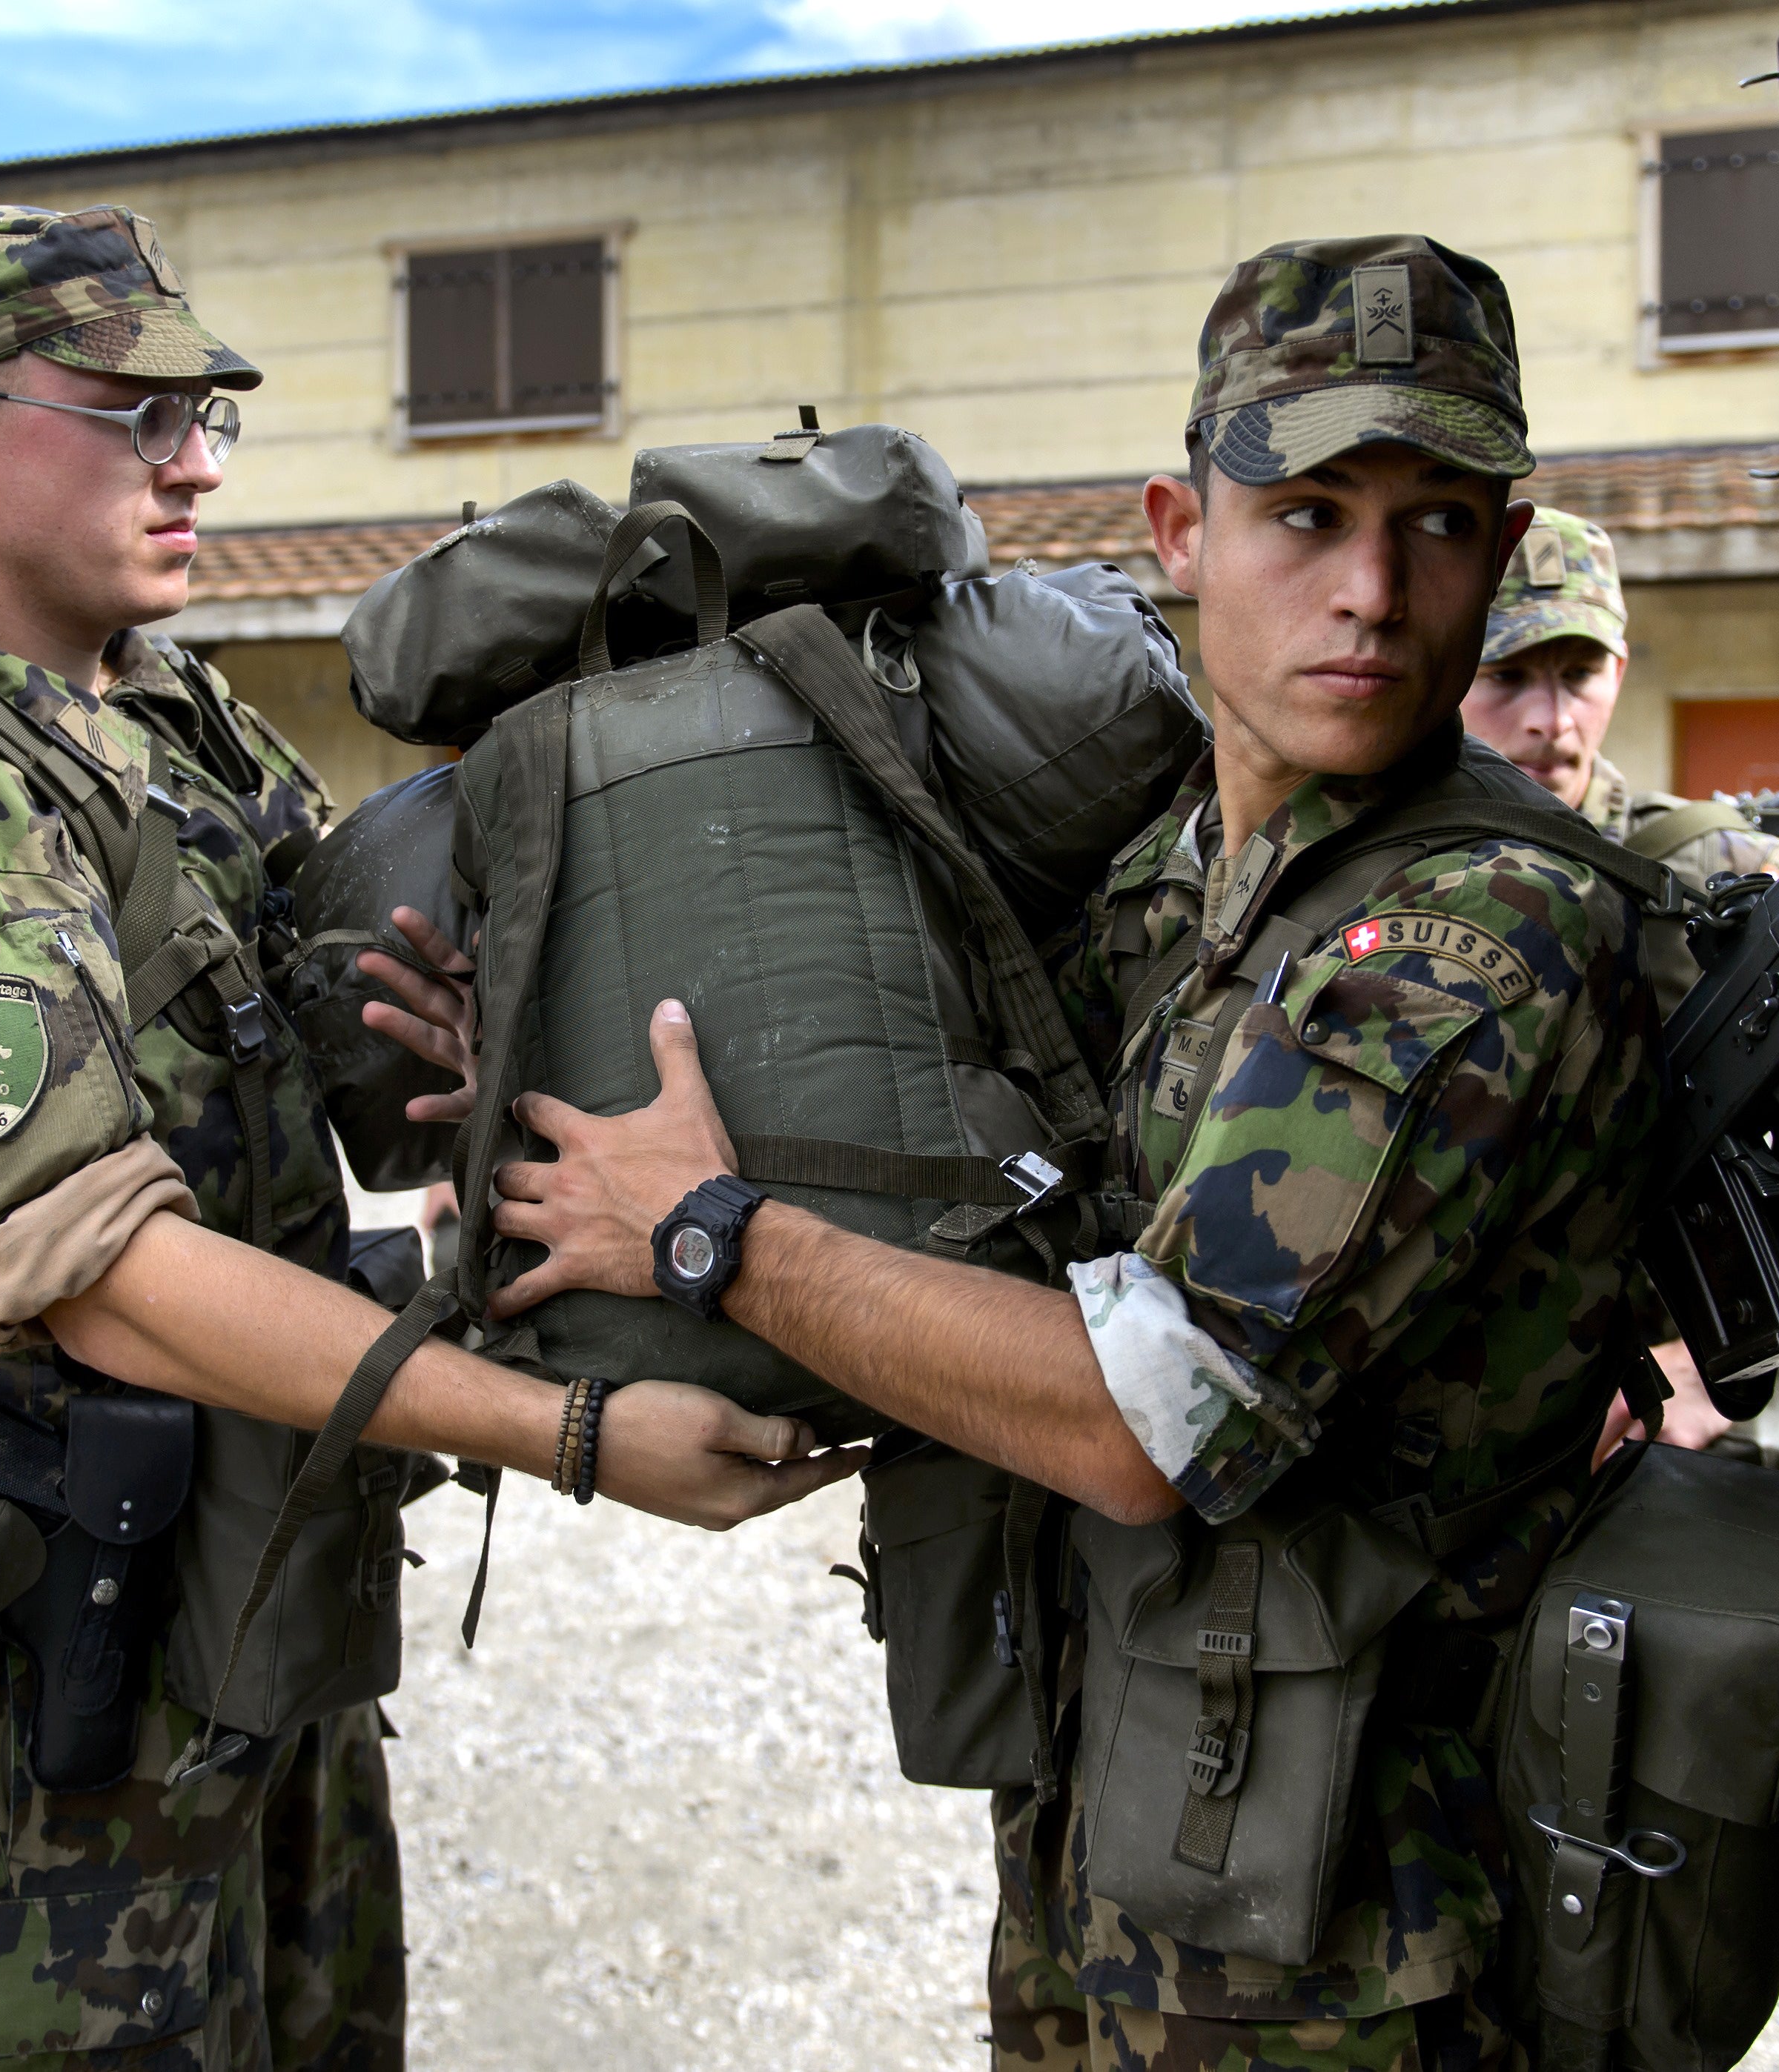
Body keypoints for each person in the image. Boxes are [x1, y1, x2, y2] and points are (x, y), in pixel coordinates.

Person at [385, 234, 1659, 2071]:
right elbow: (957, 1161)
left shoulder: (1468, 938)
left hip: (1368, 1943)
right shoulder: (1178, 880)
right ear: (1179, 531)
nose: (1374, 591)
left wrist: (705, 1234)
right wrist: (529, 1055)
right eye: (1306, 514)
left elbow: (1152, 1418)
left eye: (1439, 523)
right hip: (1146, 1836)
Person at [0, 202, 851, 2070]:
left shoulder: (178, 726)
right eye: (135, 413)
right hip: (51, 1684)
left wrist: (495, 1063)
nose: (193, 462)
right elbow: (101, 1281)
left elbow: (357, 1076)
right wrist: (571, 1429)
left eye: (206, 414)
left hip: (257, 1592)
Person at [1460, 508, 1779, 1483]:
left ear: (1618, 670)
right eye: (1506, 677)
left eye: (1578, 675)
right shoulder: (1400, 882)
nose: (1550, 719)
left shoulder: (1717, 881)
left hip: (1675, 1396)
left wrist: (1710, 1364)